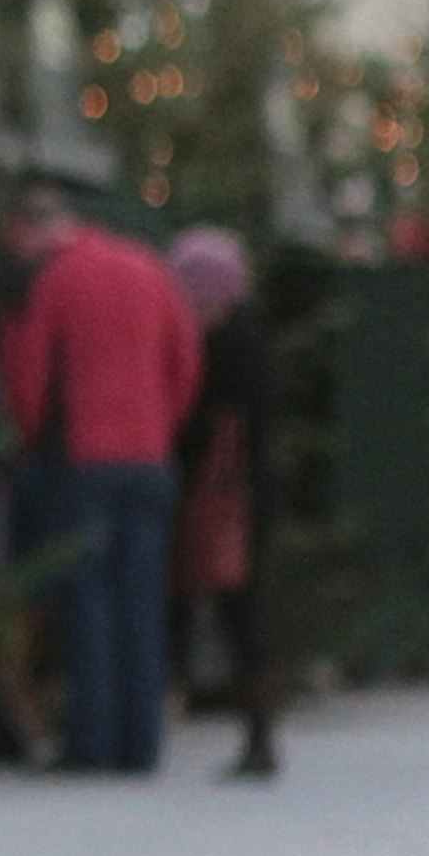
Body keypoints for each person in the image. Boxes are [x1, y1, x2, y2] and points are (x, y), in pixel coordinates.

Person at [0, 178, 204, 772]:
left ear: (27, 229)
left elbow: (30, 377)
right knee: (141, 598)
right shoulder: (147, 267)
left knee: (86, 599)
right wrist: (161, 425)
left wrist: (31, 437)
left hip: (82, 459)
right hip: (148, 455)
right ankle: (141, 742)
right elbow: (185, 360)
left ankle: (92, 742)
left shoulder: (53, 281)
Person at [169, 227, 281, 778]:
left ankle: (253, 732)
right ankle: (255, 729)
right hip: (245, 491)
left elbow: (205, 422)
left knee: (233, 610)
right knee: (242, 610)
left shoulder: (222, 344)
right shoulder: (251, 337)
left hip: (224, 495)